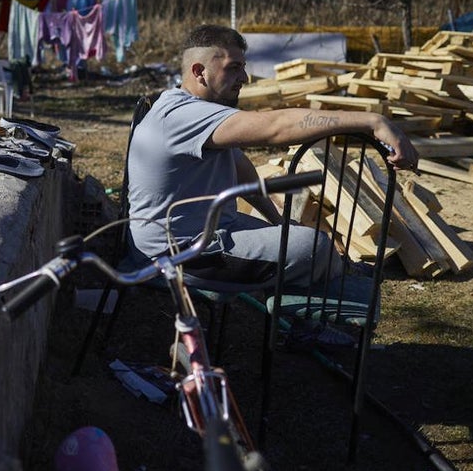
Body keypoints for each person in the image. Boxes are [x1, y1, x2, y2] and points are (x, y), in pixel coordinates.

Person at [126, 24, 419, 293]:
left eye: (243, 67)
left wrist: (278, 221)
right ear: (199, 71)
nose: (244, 78)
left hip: (201, 235)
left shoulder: (193, 109)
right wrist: (372, 121)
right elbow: (276, 126)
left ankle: (335, 273)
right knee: (312, 247)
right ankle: (321, 302)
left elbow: (241, 169)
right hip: (177, 254)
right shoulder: (184, 115)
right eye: (234, 68)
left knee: (300, 240)